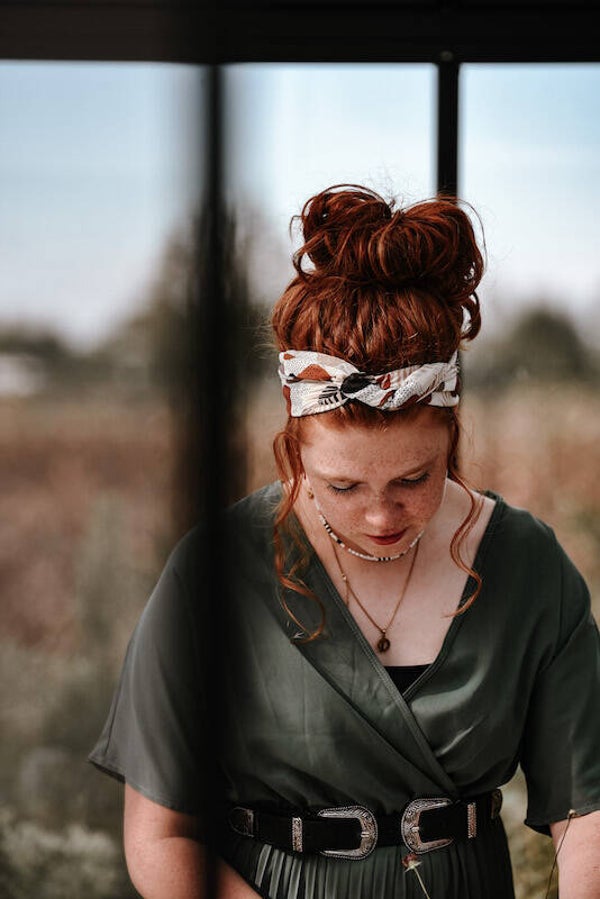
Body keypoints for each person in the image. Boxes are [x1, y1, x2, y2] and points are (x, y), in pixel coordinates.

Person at [89, 184, 600, 898]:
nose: (381, 515)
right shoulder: (216, 570)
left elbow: (587, 812)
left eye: (413, 479)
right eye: (343, 486)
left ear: (452, 433)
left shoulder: (528, 564)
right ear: (294, 442)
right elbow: (160, 836)